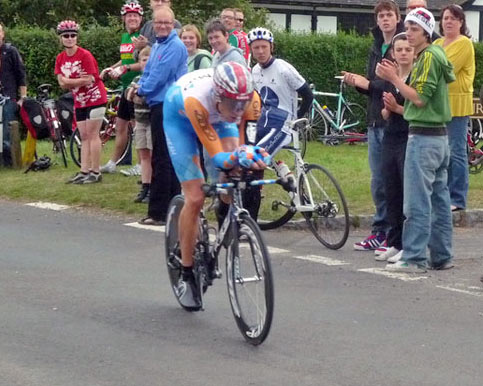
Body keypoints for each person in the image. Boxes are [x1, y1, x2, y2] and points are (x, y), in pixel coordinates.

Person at [163, 62, 268, 309]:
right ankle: (187, 273)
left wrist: (248, 156)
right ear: (219, 96)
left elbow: (245, 144)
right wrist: (233, 158)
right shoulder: (196, 100)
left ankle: (224, 211)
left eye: (243, 104)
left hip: (218, 119)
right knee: (196, 197)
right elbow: (219, 157)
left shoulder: (249, 100)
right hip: (181, 121)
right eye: (233, 104)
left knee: (237, 171)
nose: (239, 110)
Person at [376, 8, 455, 273]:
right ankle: (442, 255)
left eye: (413, 28)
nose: (407, 33)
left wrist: (394, 78)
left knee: (417, 201)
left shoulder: (428, 57)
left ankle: (415, 257)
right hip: (439, 137)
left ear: (426, 32)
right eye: (407, 27)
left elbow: (420, 98)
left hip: (424, 136)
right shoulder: (437, 55)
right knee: (439, 201)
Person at [342, 0, 404, 252]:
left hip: (393, 120)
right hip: (374, 118)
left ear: (397, 18)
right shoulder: (376, 47)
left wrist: (367, 84)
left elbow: (393, 84)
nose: (385, 20)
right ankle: (381, 230)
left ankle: (389, 232)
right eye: (381, 16)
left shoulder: (401, 46)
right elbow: (375, 87)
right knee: (377, 180)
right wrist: (359, 83)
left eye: (389, 15)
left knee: (388, 180)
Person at [243, 27, 314, 220]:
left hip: (284, 123)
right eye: (256, 48)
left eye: (263, 47)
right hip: (265, 121)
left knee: (255, 162)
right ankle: (284, 175)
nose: (260, 51)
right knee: (243, 153)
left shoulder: (283, 68)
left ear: (271, 47)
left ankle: (251, 218)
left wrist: (296, 119)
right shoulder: (255, 71)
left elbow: (308, 95)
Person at [136, 6, 187, 226]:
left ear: (173, 23)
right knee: (164, 156)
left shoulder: (175, 46)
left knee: (162, 158)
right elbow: (148, 71)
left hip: (169, 105)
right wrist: (140, 84)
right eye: (159, 23)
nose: (163, 26)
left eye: (167, 23)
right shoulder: (157, 45)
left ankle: (158, 212)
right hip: (159, 104)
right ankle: (172, 208)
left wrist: (140, 90)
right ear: (153, 24)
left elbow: (160, 75)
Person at [434, 5, 475, 212]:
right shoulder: (438, 42)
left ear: (461, 22)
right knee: (441, 152)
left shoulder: (464, 43)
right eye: (445, 18)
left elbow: (446, 68)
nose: (448, 21)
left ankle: (458, 198)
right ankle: (444, 194)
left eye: (453, 18)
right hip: (439, 103)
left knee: (456, 151)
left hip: (457, 104)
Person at [56, 20, 107, 184]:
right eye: (66, 36)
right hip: (79, 101)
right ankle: (84, 170)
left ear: (77, 37)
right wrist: (75, 81)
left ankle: (96, 171)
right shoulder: (60, 58)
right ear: (61, 39)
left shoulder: (85, 55)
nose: (69, 38)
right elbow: (60, 81)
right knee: (83, 136)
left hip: (95, 97)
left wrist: (69, 81)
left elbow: (90, 79)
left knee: (93, 135)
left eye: (73, 35)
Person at [100, 1, 144, 175]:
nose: (132, 18)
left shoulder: (141, 37)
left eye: (135, 15)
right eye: (129, 15)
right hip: (125, 87)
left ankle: (141, 165)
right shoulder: (125, 37)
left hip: (137, 87)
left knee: (138, 127)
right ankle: (112, 163)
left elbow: (143, 63)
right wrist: (112, 67)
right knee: (120, 126)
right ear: (123, 18)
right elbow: (125, 59)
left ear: (140, 18)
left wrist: (125, 69)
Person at [126, 46, 152, 203]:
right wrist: (137, 92)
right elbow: (130, 96)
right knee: (143, 153)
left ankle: (153, 186)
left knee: (152, 152)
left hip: (151, 120)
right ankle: (145, 185)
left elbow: (145, 98)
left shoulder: (153, 79)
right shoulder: (137, 79)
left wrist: (139, 93)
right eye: (143, 60)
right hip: (140, 120)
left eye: (149, 60)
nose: (146, 63)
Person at [0, 22, 27, 167]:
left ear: (2, 34)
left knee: (7, 130)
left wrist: (23, 97)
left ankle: (9, 161)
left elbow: (21, 74)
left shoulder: (10, 51)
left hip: (8, 96)